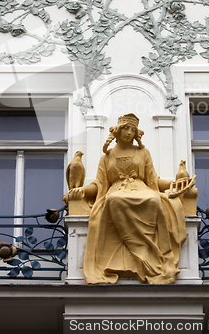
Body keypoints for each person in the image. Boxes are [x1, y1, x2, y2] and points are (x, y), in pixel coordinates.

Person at [67, 113, 187, 284]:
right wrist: (82, 190)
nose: (129, 133)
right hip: (117, 191)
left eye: (133, 129)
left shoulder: (143, 152)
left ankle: (150, 252)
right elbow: (99, 184)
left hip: (142, 189)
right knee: (113, 200)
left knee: (154, 200)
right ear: (117, 131)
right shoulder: (106, 157)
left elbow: (153, 180)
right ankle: (141, 252)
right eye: (126, 128)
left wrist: (175, 183)